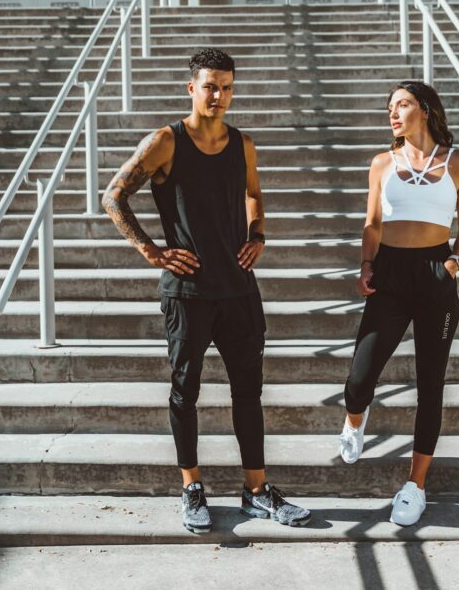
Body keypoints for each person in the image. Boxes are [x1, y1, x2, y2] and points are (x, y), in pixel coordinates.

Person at [101, 48, 311, 534]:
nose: (219, 95)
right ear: (191, 87)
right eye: (210, 86)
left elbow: (253, 193)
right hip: (188, 292)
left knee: (248, 392)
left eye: (227, 87)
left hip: (238, 290)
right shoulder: (165, 141)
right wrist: (153, 253)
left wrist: (257, 236)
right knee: (185, 391)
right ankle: (191, 485)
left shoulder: (244, 144)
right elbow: (113, 194)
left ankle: (256, 491)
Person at [337, 80, 459, 526]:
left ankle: (415, 486)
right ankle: (355, 419)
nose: (393, 113)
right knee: (360, 376)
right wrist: (365, 264)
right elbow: (373, 224)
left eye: (403, 104)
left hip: (436, 273)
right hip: (391, 273)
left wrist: (454, 262)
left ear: (426, 110)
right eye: (390, 107)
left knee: (430, 383)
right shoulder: (382, 162)